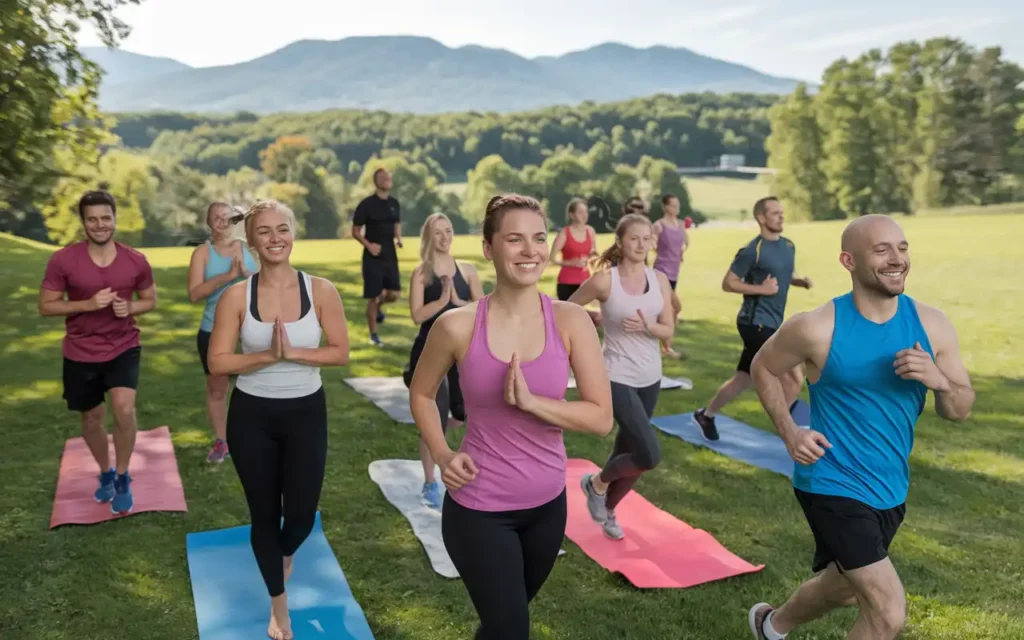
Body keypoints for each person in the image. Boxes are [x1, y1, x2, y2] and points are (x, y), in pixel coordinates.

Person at [746, 214, 974, 640]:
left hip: (889, 487)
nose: (897, 259)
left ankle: (771, 626)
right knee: (887, 612)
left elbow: (959, 409)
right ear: (848, 261)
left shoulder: (932, 325)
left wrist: (939, 381)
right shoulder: (817, 327)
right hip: (830, 480)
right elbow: (763, 366)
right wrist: (790, 431)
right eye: (882, 249)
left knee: (844, 587)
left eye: (902, 248)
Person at [408, 193, 614, 640]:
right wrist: (442, 453)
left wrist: (534, 403)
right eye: (515, 239)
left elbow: (601, 418)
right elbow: (422, 393)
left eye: (538, 239)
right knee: (511, 629)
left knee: (503, 624)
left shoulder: (571, 320)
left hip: (546, 507)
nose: (531, 251)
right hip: (479, 509)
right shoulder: (457, 326)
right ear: (488, 248)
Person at [207, 200, 350, 640]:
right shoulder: (237, 296)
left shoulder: (321, 290)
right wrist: (266, 355)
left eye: (282, 229)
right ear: (250, 241)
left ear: (293, 233)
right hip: (252, 416)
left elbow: (340, 351)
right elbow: (217, 362)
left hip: (306, 412)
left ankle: (283, 552)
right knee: (264, 514)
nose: (275, 238)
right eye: (264, 231)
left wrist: (293, 354)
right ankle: (278, 604)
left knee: (302, 517)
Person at [38, 189, 158, 515]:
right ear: (83, 222)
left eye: (106, 218)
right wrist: (88, 305)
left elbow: (150, 300)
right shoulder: (64, 260)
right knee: (91, 418)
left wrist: (130, 306)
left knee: (123, 409)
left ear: (115, 219)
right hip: (80, 350)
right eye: (93, 219)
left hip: (123, 345)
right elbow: (46, 306)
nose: (100, 224)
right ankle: (104, 471)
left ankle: (122, 476)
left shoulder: (135, 260)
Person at [568, 213, 675, 540]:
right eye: (634, 238)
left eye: (647, 239)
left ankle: (609, 507)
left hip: (651, 376)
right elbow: (567, 309)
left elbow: (669, 328)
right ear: (620, 241)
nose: (641, 244)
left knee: (629, 447)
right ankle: (597, 483)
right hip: (615, 375)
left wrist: (648, 327)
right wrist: (593, 319)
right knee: (649, 453)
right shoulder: (605, 281)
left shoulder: (659, 280)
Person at [693, 196, 813, 441]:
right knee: (793, 376)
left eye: (782, 212)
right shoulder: (751, 250)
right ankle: (787, 432)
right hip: (755, 322)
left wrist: (797, 281)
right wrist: (762, 290)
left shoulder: (788, 246)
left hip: (772, 320)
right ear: (761, 218)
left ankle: (707, 414)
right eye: (775, 213)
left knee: (744, 377)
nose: (781, 216)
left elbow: (782, 273)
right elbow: (728, 283)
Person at [404, 212, 485, 508]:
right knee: (432, 419)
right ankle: (430, 482)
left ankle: (468, 462)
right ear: (429, 237)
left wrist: (459, 302)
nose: (444, 237)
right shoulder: (421, 273)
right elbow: (417, 315)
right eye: (438, 232)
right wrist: (441, 301)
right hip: (429, 352)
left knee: (464, 414)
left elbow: (482, 310)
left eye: (448, 231)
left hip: (463, 353)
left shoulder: (467, 270)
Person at [187, 202, 259, 463]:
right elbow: (195, 293)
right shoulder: (202, 254)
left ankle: (256, 436)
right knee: (217, 391)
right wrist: (228, 276)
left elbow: (269, 282)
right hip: (214, 330)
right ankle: (222, 442)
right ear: (209, 223)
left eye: (226, 217)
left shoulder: (249, 247)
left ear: (234, 220)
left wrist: (247, 273)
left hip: (252, 329)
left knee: (259, 385)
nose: (221, 222)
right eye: (215, 218)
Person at [352, 167, 403, 347]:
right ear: (376, 182)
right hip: (373, 255)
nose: (387, 179)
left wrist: (399, 239)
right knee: (374, 296)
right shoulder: (367, 204)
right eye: (383, 177)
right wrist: (369, 245)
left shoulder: (394, 203)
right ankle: (374, 335)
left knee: (394, 294)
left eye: (388, 176)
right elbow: (355, 231)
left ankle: (378, 309)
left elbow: (396, 223)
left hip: (390, 253)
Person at [651, 193, 689, 358]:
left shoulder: (680, 225)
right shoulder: (659, 225)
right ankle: (665, 347)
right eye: (673, 205)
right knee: (675, 307)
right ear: (665, 207)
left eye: (677, 205)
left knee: (668, 310)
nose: (676, 208)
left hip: (674, 272)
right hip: (661, 271)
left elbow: (686, 241)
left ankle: (664, 346)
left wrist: (680, 252)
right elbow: (651, 241)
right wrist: (658, 249)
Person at [549, 197, 598, 301]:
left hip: (585, 281)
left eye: (586, 212)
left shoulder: (590, 231)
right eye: (580, 212)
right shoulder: (564, 233)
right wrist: (571, 262)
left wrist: (594, 257)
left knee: (583, 314)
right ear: (572, 215)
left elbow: (592, 253)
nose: (584, 215)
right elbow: (552, 259)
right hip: (566, 282)